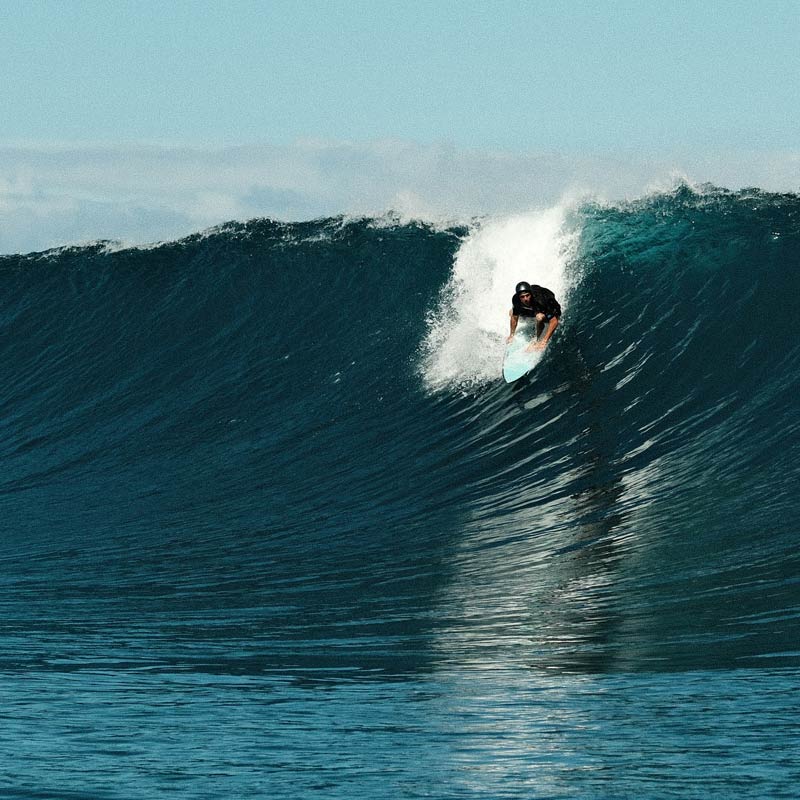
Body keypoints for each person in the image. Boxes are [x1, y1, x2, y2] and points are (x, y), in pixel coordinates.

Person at [507, 280, 561, 351]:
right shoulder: (516, 299)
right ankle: (535, 313)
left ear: (531, 294)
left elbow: (554, 321)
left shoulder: (541, 301)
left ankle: (537, 339)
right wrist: (511, 335)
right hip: (534, 307)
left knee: (539, 318)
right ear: (519, 297)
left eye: (527, 295)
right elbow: (514, 318)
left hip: (551, 307)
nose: (525, 299)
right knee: (512, 312)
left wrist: (544, 341)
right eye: (522, 297)